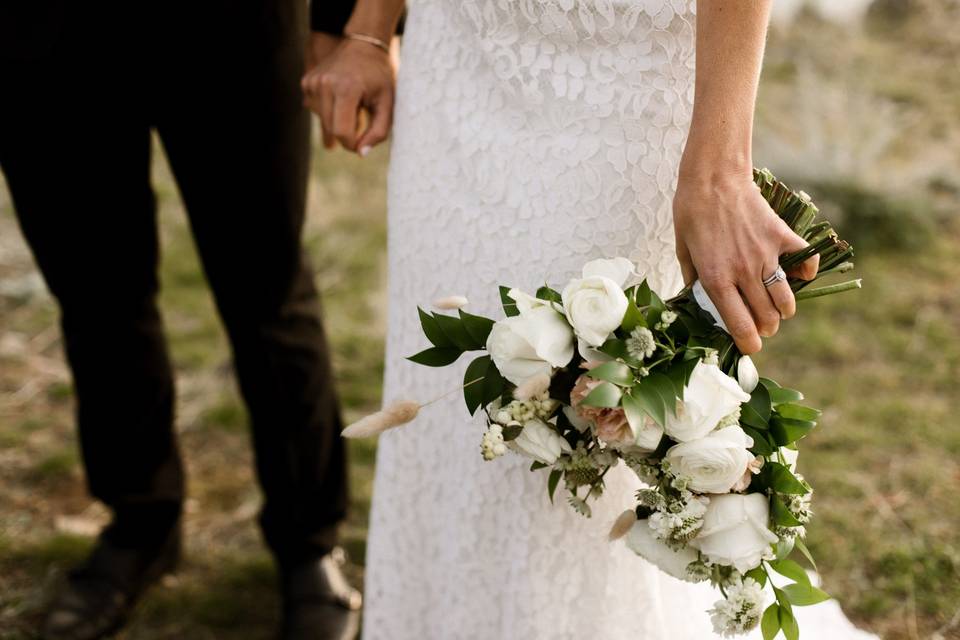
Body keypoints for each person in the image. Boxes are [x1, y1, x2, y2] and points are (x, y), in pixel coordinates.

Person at [305, 1, 880, 638]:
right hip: (457, 66)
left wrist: (720, 165)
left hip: (622, 75)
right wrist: (368, 29)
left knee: (595, 427)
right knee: (453, 423)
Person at [0, 2, 361, 639]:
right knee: (96, 299)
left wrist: (345, 21)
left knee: (268, 292)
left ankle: (309, 542)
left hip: (232, 27)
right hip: (42, 32)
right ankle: (140, 521)